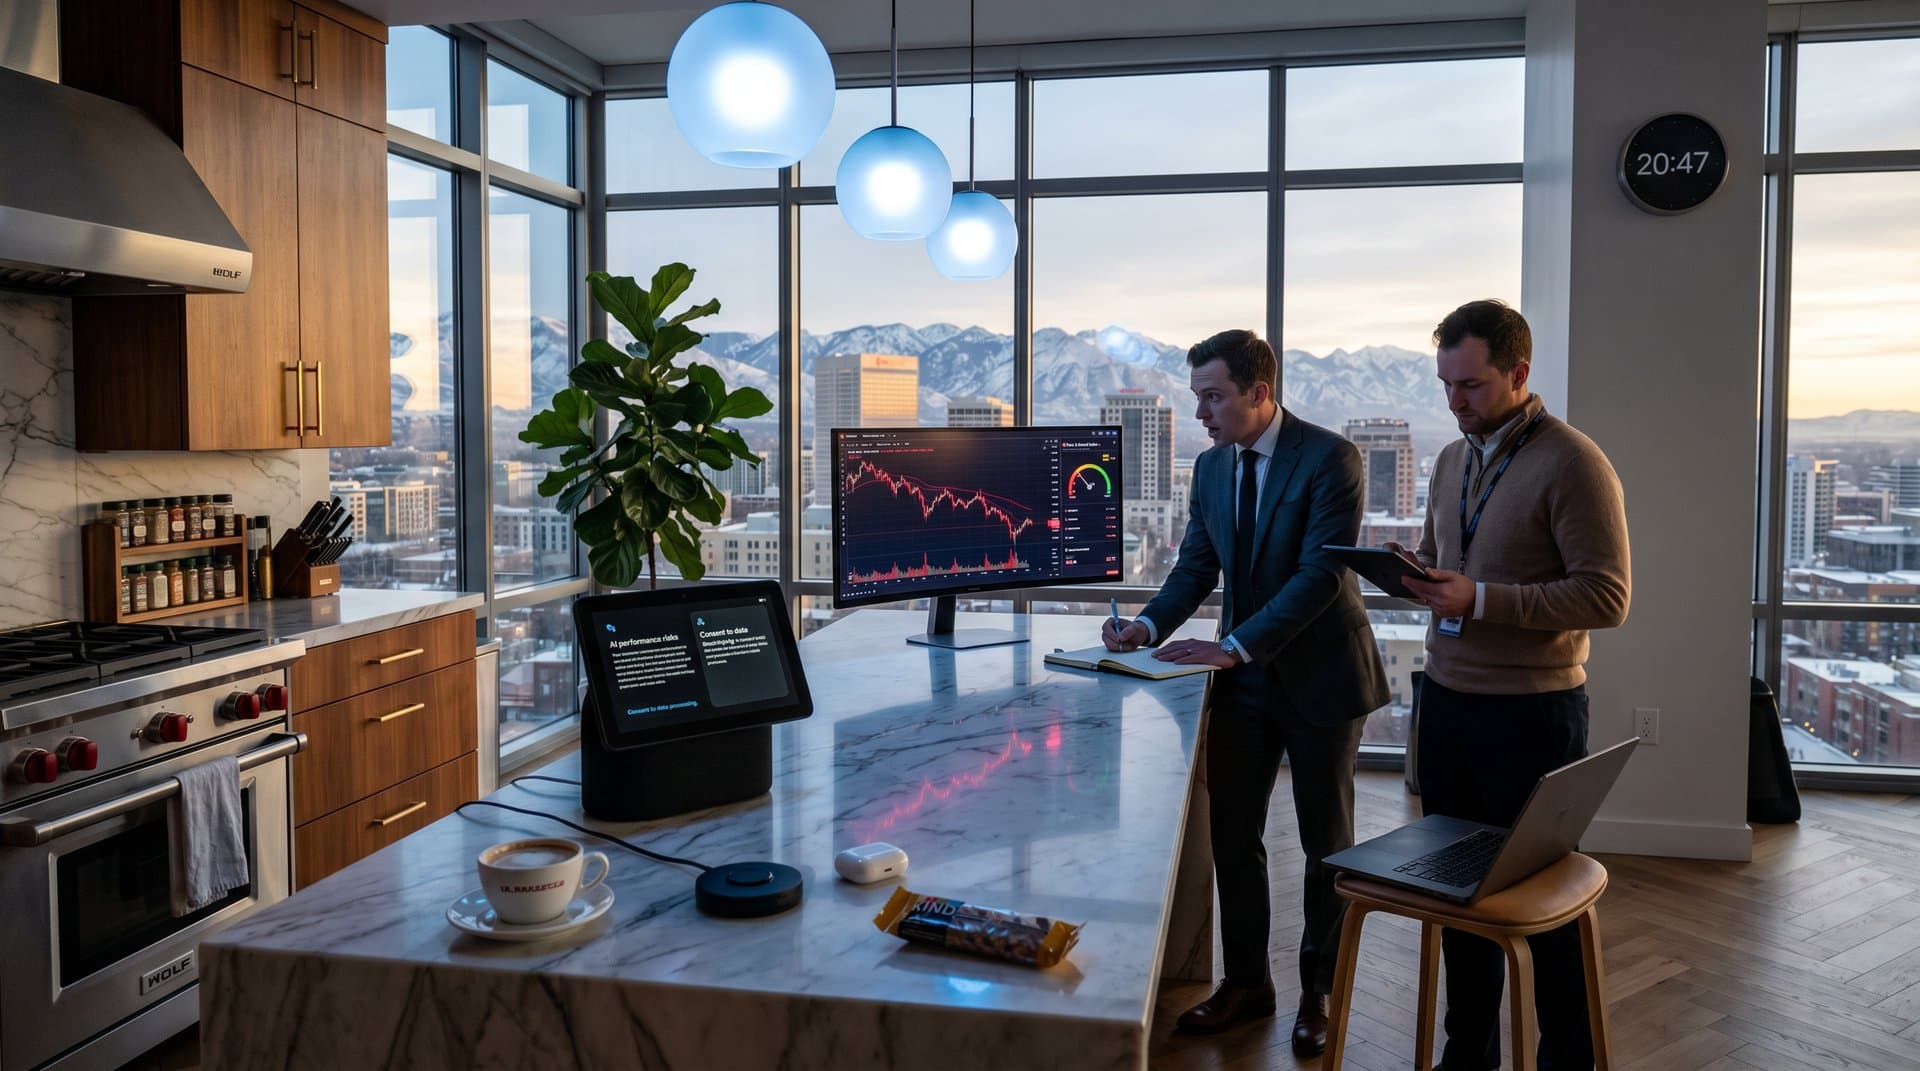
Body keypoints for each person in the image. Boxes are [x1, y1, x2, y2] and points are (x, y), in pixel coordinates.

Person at [1103, 329, 1388, 1054]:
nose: (1201, 411)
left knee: (1328, 847)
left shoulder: (1330, 458)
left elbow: (1319, 578)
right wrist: (1146, 624)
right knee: (1234, 834)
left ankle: (1318, 994)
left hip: (1320, 676)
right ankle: (1247, 983)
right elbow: (1197, 566)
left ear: (1258, 392)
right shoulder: (1209, 469)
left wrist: (1231, 646)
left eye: (1212, 396)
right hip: (1244, 682)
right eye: (1197, 396)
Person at [1400, 299, 1630, 1071]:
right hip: (1449, 703)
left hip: (1535, 716)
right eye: (1445, 385)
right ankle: (1468, 1058)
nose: (1454, 402)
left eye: (1469, 385)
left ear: (1519, 374)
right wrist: (1416, 578)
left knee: (1546, 910)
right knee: (1460, 899)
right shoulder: (1450, 458)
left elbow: (1607, 596)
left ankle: (1567, 1061)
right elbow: (1445, 561)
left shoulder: (1573, 461)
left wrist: (1482, 600)